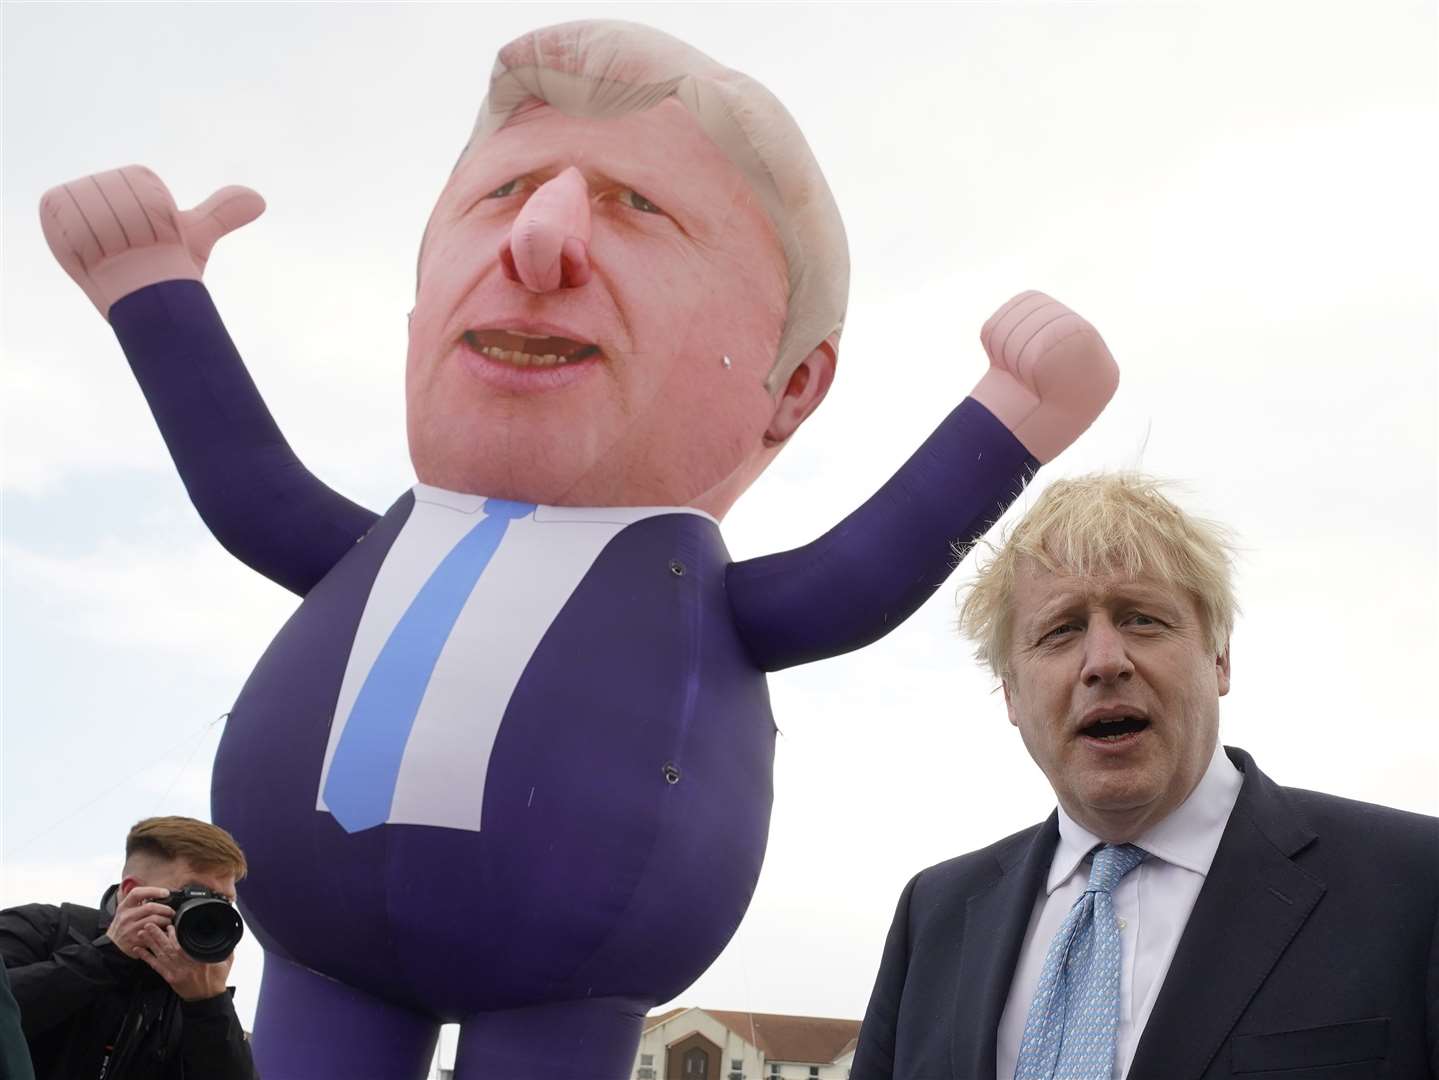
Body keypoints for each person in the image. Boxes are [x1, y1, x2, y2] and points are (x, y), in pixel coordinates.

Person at [36, 21, 1119, 1079]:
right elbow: (248, 490)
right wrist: (153, 294)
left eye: (636, 207)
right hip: (316, 949)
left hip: (569, 976)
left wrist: (1007, 421)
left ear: (790, 386)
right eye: (503, 194)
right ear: (418, 309)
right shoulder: (381, 544)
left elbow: (855, 579)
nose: (538, 240)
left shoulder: (690, 595)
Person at [851, 472, 1439, 1080]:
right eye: (1061, 630)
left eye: (1142, 620)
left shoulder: (1419, 886)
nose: (1105, 661)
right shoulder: (934, 915)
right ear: (1010, 694)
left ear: (1219, 658)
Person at [0, 817, 256, 1080]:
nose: (208, 914)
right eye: (194, 895)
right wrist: (107, 956)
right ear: (134, 891)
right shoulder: (42, 928)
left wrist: (209, 1006)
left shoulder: (191, 993)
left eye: (224, 901)